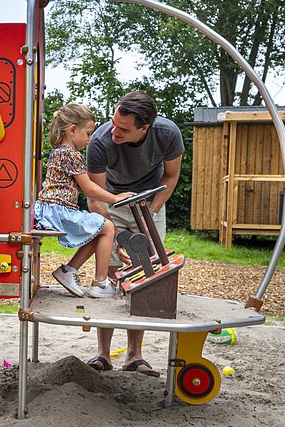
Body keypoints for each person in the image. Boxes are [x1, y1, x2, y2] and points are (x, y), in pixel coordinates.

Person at [84, 90, 185, 374]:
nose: (114, 131)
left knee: (146, 275)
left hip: (150, 201)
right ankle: (103, 354)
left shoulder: (167, 134)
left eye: (124, 129)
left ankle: (134, 356)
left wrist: (151, 212)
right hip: (111, 200)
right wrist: (114, 238)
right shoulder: (100, 141)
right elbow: (95, 197)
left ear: (145, 127)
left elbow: (171, 176)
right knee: (110, 275)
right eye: (114, 123)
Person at [35, 103, 133, 298]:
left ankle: (69, 270)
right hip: (57, 210)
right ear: (72, 130)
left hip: (52, 208)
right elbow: (89, 188)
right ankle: (101, 283)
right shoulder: (70, 154)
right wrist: (115, 197)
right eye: (88, 134)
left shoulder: (60, 152)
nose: (90, 139)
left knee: (98, 229)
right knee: (107, 227)